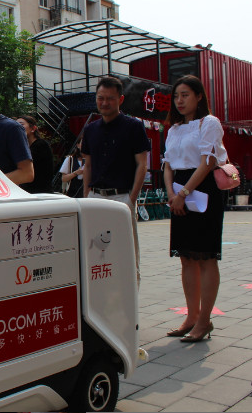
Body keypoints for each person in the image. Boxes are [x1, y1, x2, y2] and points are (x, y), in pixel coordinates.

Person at [163, 75, 226, 342]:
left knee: (206, 256)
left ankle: (204, 320)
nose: (180, 100)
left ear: (199, 96)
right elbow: (167, 164)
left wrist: (184, 193)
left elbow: (207, 162)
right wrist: (171, 193)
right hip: (178, 190)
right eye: (176, 96)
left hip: (203, 190)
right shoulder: (174, 129)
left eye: (185, 95)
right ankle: (191, 316)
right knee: (186, 257)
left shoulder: (209, 123)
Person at [82, 76, 150, 286]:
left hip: (121, 197)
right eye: (100, 98)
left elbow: (142, 165)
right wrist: (85, 197)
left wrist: (131, 200)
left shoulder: (134, 127)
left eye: (110, 98)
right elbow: (88, 166)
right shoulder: (90, 129)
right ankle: (101, 296)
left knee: (126, 253)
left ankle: (130, 299)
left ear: (120, 99)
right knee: (95, 253)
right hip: (95, 197)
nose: (104, 103)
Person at [17, 115, 53, 193]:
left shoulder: (41, 145)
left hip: (40, 192)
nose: (17, 127)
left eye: (21, 124)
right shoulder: (24, 146)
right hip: (27, 191)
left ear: (33, 128)